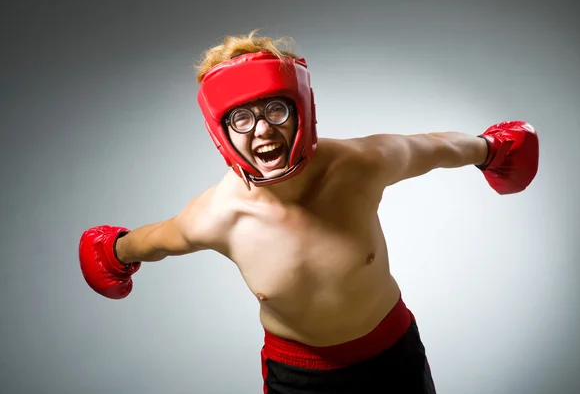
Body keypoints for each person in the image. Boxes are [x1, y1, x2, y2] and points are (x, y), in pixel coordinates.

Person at [78, 30, 539, 394]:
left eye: (275, 109)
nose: (262, 131)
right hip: (300, 378)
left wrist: (493, 148)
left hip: (392, 353)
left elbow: (436, 147)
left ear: (302, 109)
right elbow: (147, 242)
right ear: (222, 131)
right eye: (241, 117)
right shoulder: (217, 217)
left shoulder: (360, 165)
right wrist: (111, 253)